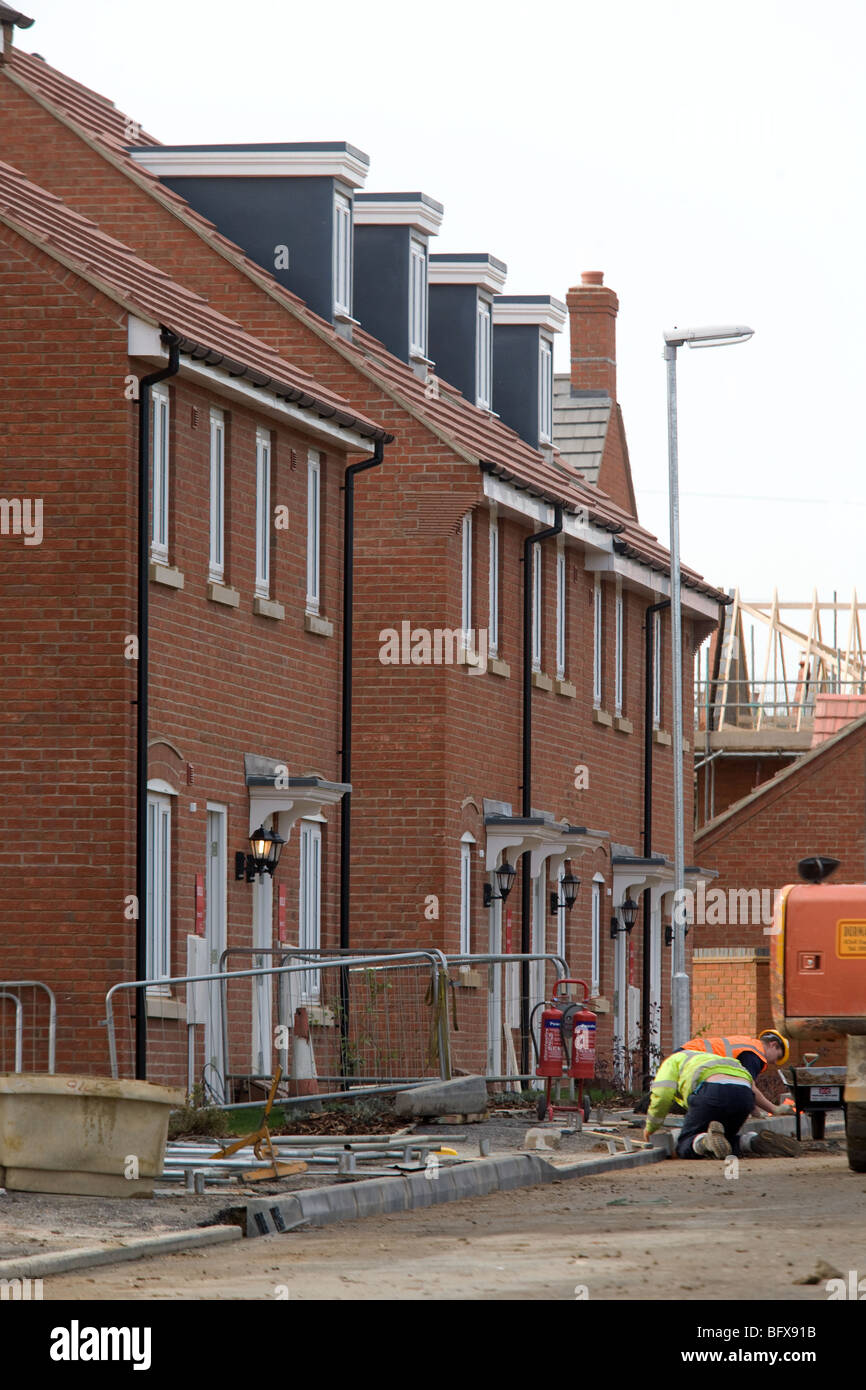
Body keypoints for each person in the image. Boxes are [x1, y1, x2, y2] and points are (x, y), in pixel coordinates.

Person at [681, 1029, 790, 1118]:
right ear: (773, 1045)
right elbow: (748, 1088)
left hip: (685, 1056)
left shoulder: (749, 1046)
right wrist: (773, 1109)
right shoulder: (754, 1055)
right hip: (691, 1058)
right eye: (778, 1056)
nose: (775, 1062)